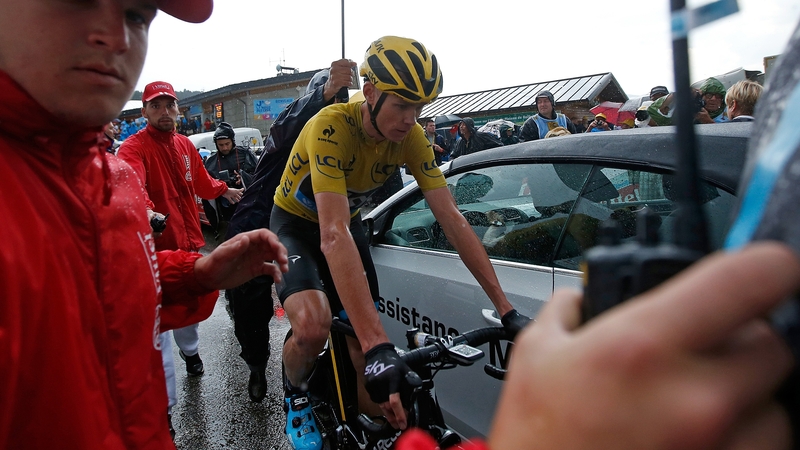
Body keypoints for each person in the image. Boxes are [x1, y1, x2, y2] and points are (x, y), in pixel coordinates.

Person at [0, 0, 292, 449]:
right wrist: (156, 218)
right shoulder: (126, 157)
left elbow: (110, 290)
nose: (115, 37)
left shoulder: (107, 170)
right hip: (171, 234)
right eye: (78, 1)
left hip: (187, 244)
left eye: (136, 15)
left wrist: (195, 273)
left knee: (169, 362)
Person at [270, 36, 530, 450]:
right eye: (402, 105)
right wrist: (379, 346)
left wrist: (508, 309)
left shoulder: (410, 139)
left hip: (346, 225)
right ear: (369, 93)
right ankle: (295, 394)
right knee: (314, 325)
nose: (412, 119)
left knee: (366, 361)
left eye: (420, 107)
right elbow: (331, 234)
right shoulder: (330, 126)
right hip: (296, 226)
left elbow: (453, 219)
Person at [224, 59, 356, 404]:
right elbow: (288, 124)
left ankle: (310, 368)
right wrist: (324, 95)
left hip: (303, 233)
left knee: (320, 307)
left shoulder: (347, 137)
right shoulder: (291, 126)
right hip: (256, 227)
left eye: (339, 105)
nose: (333, 114)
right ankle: (256, 365)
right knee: (252, 313)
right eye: (329, 103)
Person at [117, 79, 245, 432]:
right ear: (144, 112)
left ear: (178, 110)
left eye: (169, 105)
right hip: (154, 257)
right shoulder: (133, 148)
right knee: (154, 333)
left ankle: (191, 354)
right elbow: (130, 184)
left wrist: (226, 191)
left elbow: (202, 182)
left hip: (188, 247)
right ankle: (164, 412)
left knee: (189, 316)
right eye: (155, 106)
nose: (164, 112)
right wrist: (147, 214)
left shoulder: (185, 144)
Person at [202, 121, 258, 236]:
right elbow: (206, 186)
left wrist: (243, 177)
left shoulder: (246, 153)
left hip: (248, 208)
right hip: (224, 213)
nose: (225, 147)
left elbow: (259, 176)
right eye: (221, 145)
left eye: (227, 143)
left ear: (233, 141)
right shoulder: (211, 161)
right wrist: (220, 184)